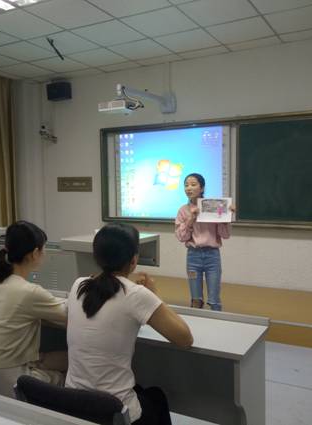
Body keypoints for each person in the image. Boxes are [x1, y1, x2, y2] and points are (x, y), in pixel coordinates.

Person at [66, 223, 193, 425]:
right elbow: (185, 338)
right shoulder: (135, 294)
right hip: (114, 412)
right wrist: (153, 296)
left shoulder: (78, 285)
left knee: (142, 391)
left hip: (73, 405)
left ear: (96, 256)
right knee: (156, 397)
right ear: (134, 260)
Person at [0, 221, 67, 398]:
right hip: (8, 382)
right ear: (35, 253)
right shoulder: (28, 292)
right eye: (44, 249)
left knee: (55, 357)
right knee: (65, 376)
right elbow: (69, 315)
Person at [175, 173, 233, 311]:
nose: (189, 188)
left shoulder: (214, 206)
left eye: (193, 184)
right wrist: (191, 219)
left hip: (212, 256)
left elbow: (225, 235)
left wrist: (227, 217)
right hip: (193, 257)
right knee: (196, 300)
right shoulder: (183, 210)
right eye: (186, 185)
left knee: (214, 300)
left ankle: (216, 322)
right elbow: (181, 237)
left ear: (202, 188)